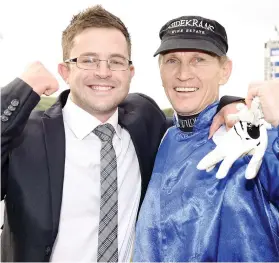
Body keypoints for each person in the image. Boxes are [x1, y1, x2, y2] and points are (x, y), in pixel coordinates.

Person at [1, 7, 242, 262]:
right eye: (89, 60)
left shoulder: (145, 120)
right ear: (65, 71)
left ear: (130, 72)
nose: (103, 72)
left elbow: (191, 124)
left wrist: (233, 104)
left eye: (115, 61)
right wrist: (20, 90)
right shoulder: (25, 137)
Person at [133, 15, 279, 262]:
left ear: (225, 70)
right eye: (171, 60)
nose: (183, 74)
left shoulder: (254, 135)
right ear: (160, 70)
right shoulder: (160, 137)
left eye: (198, 60)